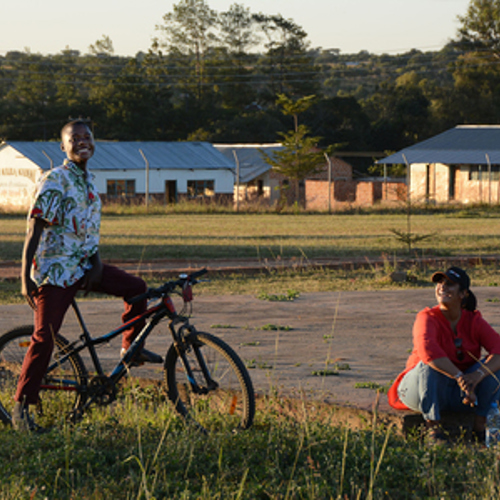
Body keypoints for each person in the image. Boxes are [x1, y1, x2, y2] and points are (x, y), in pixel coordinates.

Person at [13, 119, 162, 432]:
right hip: (55, 271)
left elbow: (88, 233)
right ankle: (21, 406)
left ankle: (129, 348)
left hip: (83, 265)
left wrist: (96, 263)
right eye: (74, 138)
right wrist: (25, 276)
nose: (82, 141)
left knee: (138, 289)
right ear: (63, 147)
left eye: (87, 136)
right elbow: (35, 227)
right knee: (45, 337)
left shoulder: (90, 183)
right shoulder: (56, 179)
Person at [388, 266, 500, 444]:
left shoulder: (474, 320)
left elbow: (498, 349)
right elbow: (429, 352)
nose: (442, 287)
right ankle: (433, 428)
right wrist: (460, 378)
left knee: (494, 368)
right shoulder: (427, 317)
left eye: (450, 284)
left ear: (463, 294)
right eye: (440, 283)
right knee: (428, 365)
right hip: (419, 390)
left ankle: (480, 426)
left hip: (459, 394)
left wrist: (477, 376)